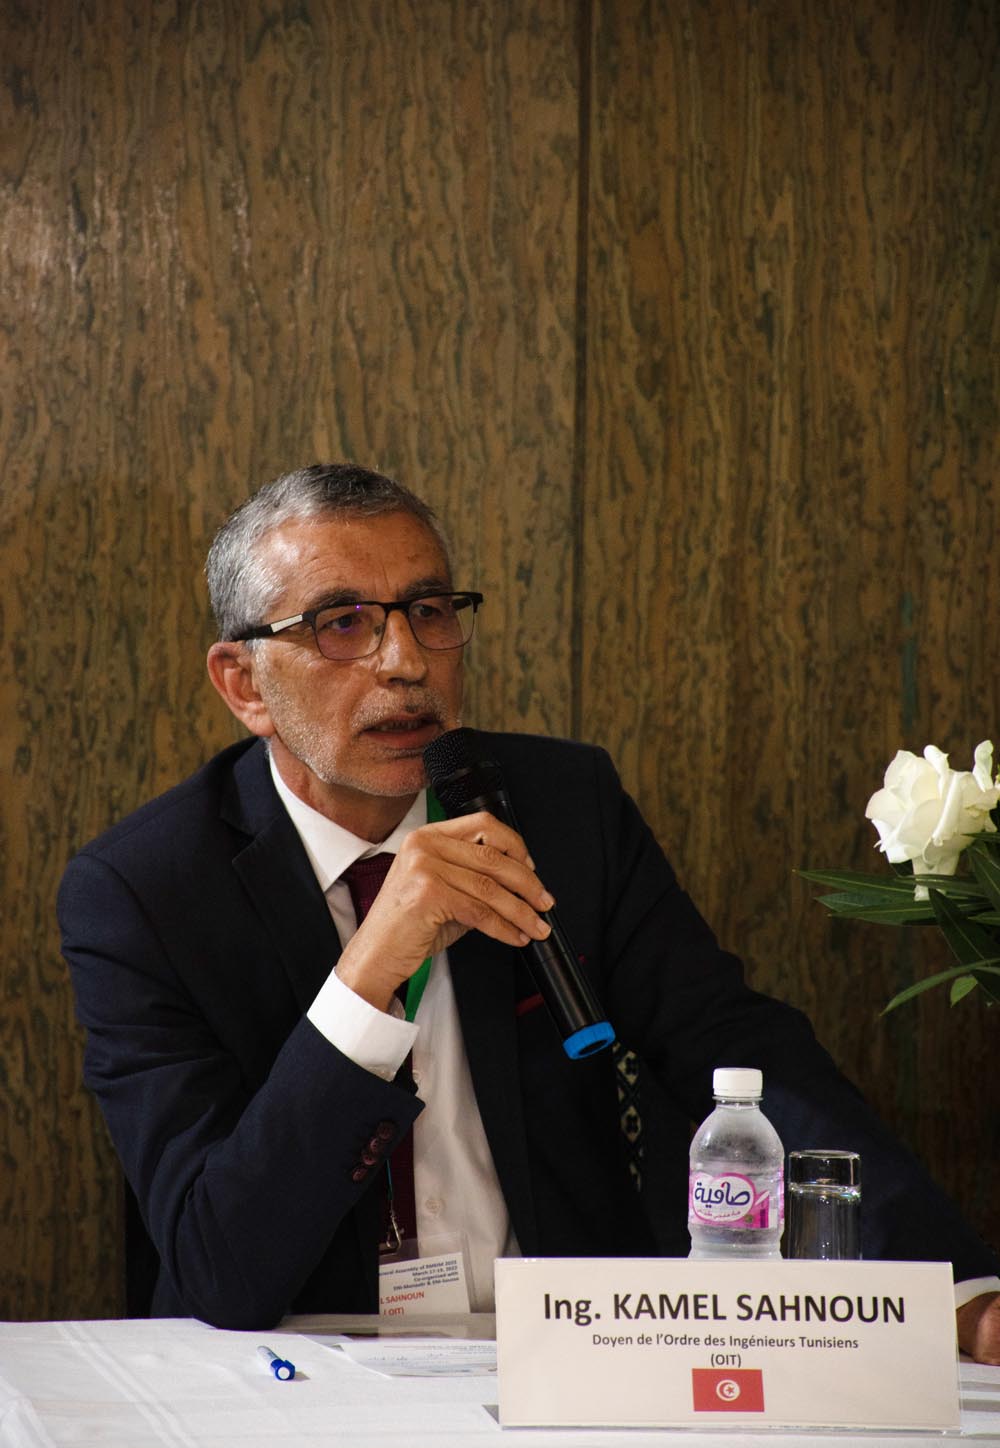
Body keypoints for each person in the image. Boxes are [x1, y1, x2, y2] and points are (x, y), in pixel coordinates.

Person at [58, 463, 1000, 1359]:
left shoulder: (562, 808)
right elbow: (218, 1265)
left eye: (430, 612)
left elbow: (736, 1049)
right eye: (343, 624)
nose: (405, 662)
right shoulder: (145, 892)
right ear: (245, 684)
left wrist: (956, 1289)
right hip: (298, 1368)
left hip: (566, 1349)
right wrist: (368, 972)